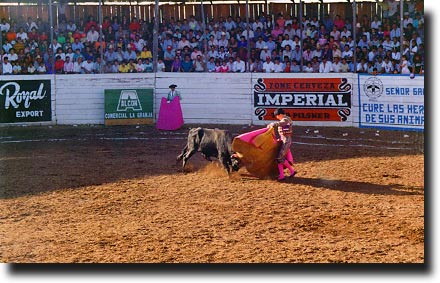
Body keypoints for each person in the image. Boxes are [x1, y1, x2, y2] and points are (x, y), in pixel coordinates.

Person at [267, 108, 296, 181]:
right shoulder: (286, 119)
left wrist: (273, 124)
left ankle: (288, 172)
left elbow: (282, 123)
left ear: (279, 115)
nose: (277, 118)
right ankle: (285, 174)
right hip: (284, 140)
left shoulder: (286, 119)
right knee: (279, 158)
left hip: (286, 141)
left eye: (277, 116)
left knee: (280, 158)